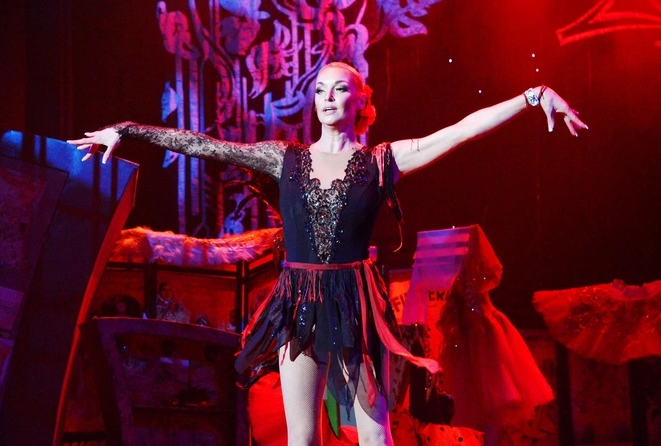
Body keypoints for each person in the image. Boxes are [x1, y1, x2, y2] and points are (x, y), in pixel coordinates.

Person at [67, 61, 587, 445]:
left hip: (357, 303)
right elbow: (206, 145)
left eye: (340, 89)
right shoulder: (285, 159)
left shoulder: (382, 161)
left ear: (361, 101)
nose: (327, 97)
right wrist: (127, 132)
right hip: (299, 302)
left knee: (374, 434)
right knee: (302, 438)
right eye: (319, 89)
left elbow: (459, 131)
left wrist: (532, 96)